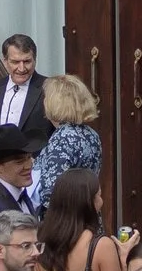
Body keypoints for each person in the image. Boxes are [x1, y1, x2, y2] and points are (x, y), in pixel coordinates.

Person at [28, 73, 104, 215]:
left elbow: (51, 193)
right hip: (89, 213)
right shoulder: (91, 134)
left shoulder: (62, 138)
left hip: (67, 223)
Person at [0, 33, 54, 150]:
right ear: (5, 61)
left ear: (35, 60)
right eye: (15, 62)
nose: (21, 68)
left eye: (27, 61)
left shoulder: (50, 89)